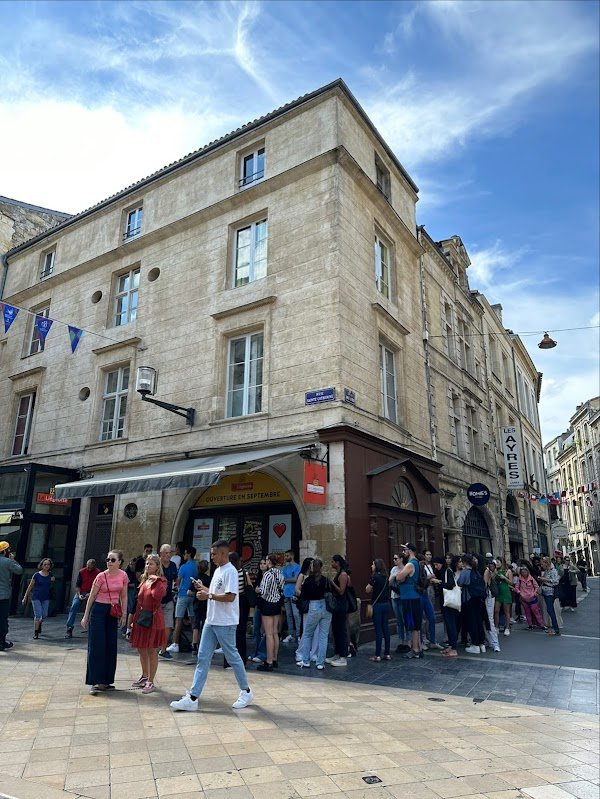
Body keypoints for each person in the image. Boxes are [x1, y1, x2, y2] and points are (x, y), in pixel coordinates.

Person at [170, 538, 254, 712]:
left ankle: (246, 691)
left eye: (215, 554)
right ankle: (193, 697)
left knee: (233, 657)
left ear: (223, 554)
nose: (212, 557)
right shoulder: (218, 570)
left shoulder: (230, 571)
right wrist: (204, 588)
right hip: (211, 621)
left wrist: (208, 596)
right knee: (202, 658)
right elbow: (217, 593)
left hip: (225, 623)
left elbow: (230, 597)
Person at [81, 550, 128, 695]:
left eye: (113, 560)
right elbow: (92, 596)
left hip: (113, 611)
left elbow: (124, 596)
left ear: (119, 562)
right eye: (108, 559)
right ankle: (95, 681)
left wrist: (124, 615)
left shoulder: (123, 575)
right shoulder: (101, 576)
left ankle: (105, 681)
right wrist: (86, 615)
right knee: (97, 645)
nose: (109, 562)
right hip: (99, 611)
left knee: (110, 645)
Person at [130, 553, 167, 694]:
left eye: (151, 564)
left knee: (152, 649)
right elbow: (139, 600)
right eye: (147, 563)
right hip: (141, 617)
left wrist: (154, 582)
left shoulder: (161, 581)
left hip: (153, 618)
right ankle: (144, 676)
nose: (147, 566)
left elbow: (157, 597)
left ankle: (151, 680)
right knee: (141, 647)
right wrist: (132, 620)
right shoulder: (143, 580)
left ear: (157, 566)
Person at [296, 558, 332, 669]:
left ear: (312, 568)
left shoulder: (308, 581)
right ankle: (320, 663)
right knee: (323, 636)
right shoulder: (325, 580)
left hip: (314, 606)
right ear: (321, 568)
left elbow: (303, 596)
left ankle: (306, 660)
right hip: (325, 607)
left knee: (307, 634)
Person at [254, 553, 285, 672]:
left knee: (269, 634)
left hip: (268, 603)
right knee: (275, 633)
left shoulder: (267, 574)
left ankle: (269, 661)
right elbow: (281, 588)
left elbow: (263, 591)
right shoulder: (280, 574)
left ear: (269, 561)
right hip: (277, 603)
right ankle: (275, 658)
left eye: (266, 560)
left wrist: (257, 589)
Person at [393, 543, 423, 659]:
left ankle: (414, 649)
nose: (403, 552)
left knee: (412, 624)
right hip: (412, 598)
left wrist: (398, 576)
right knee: (415, 623)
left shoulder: (411, 564)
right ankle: (418, 648)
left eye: (405, 550)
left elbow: (399, 577)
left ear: (409, 551)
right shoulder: (416, 563)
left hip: (409, 598)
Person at [167, 545, 198, 653]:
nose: (184, 555)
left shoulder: (183, 567)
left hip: (183, 594)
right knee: (193, 619)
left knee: (178, 619)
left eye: (185, 553)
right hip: (193, 595)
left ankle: (175, 643)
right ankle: (195, 642)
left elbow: (178, 581)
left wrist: (177, 589)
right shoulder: (196, 566)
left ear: (188, 554)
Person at [223, 551, 251, 668]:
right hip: (243, 604)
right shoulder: (244, 572)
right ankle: (242, 660)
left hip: (231, 602)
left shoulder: (228, 572)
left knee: (229, 633)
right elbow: (249, 586)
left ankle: (228, 661)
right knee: (241, 633)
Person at [457, 554, 486, 654]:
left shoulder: (465, 572)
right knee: (478, 621)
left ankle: (475, 644)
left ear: (465, 562)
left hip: (468, 599)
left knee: (471, 622)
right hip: (478, 599)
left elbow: (459, 583)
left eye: (461, 561)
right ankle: (482, 644)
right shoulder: (476, 572)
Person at [65, 559, 100, 638]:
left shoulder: (98, 573)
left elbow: (99, 586)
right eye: (87, 567)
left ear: (94, 567)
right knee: (74, 606)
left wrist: (90, 594)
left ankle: (92, 627)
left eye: (90, 567)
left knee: (94, 609)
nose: (88, 569)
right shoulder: (82, 572)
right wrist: (79, 594)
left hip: (92, 593)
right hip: (82, 592)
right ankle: (69, 627)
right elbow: (77, 585)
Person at [21, 557, 54, 639]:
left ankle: (39, 624)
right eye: (45, 564)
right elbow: (30, 586)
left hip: (46, 597)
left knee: (45, 615)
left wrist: (52, 581)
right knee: (38, 615)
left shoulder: (50, 575)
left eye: (48, 565)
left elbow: (51, 586)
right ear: (41, 565)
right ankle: (36, 633)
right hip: (36, 596)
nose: (46, 566)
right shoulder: (36, 575)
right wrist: (25, 597)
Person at [365, 558, 391, 661]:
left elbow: (367, 589)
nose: (371, 566)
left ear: (376, 566)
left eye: (372, 565)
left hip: (377, 605)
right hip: (386, 604)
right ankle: (387, 653)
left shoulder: (374, 576)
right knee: (386, 629)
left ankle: (377, 655)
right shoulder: (386, 576)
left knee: (378, 630)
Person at [326, 554, 349, 666]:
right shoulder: (339, 574)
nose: (332, 564)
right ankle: (337, 653)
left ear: (337, 563)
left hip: (341, 605)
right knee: (336, 630)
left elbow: (341, 591)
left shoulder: (343, 575)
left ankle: (343, 656)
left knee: (341, 630)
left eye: (333, 562)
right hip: (336, 606)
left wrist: (332, 583)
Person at [434, 555, 459, 657]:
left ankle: (454, 648)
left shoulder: (447, 571)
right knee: (448, 624)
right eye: (434, 564)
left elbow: (450, 584)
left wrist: (439, 582)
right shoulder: (442, 571)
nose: (435, 566)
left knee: (451, 624)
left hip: (448, 602)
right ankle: (450, 646)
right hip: (444, 601)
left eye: (437, 564)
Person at [0, 542, 23, 651]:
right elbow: (19, 570)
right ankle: (1, 642)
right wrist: (13, 559)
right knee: (2, 619)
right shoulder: (8, 562)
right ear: (5, 551)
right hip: (3, 595)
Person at [158, 544, 179, 659]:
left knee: (168, 625)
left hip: (168, 599)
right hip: (156, 600)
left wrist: (176, 586)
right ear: (161, 553)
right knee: (154, 625)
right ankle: (152, 647)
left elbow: (176, 579)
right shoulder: (157, 565)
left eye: (170, 553)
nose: (168, 555)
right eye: (166, 553)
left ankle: (163, 649)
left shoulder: (173, 565)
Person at [420, 549, 442, 650]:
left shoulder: (431, 565)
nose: (429, 556)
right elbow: (422, 579)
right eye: (427, 554)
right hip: (423, 592)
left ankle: (431, 639)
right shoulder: (420, 567)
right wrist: (431, 577)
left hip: (430, 590)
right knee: (420, 618)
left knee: (431, 617)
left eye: (430, 554)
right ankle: (421, 639)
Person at [514, 565, 545, 630]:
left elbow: (536, 586)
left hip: (532, 597)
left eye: (525, 572)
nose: (524, 573)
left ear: (527, 572)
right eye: (522, 572)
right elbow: (516, 588)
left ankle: (541, 625)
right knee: (527, 612)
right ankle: (530, 625)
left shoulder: (531, 579)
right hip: (523, 598)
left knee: (536, 612)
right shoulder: (519, 580)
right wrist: (520, 593)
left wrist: (534, 593)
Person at [389, 553, 409, 653]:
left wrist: (397, 578)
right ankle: (401, 641)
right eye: (394, 558)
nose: (394, 560)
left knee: (406, 618)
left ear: (401, 559)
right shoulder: (393, 569)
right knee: (399, 620)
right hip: (394, 596)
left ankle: (408, 641)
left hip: (403, 597)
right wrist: (397, 577)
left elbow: (403, 580)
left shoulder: (406, 568)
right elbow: (390, 581)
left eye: (396, 558)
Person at [250, 559, 268, 663]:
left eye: (264, 563)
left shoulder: (268, 576)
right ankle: (255, 653)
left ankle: (262, 654)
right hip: (258, 604)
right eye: (260, 564)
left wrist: (259, 590)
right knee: (256, 629)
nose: (262, 565)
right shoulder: (259, 576)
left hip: (266, 605)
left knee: (265, 631)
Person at [281, 550, 301, 643]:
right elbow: (282, 579)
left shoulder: (297, 567)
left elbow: (296, 579)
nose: (285, 557)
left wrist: (287, 580)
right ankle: (291, 634)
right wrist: (290, 580)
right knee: (288, 614)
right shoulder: (284, 568)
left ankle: (299, 634)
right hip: (286, 593)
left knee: (296, 614)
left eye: (287, 555)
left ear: (292, 556)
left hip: (294, 594)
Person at [538, 556, 561, 636]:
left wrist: (545, 580)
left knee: (550, 610)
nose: (541, 565)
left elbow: (556, 581)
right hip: (545, 591)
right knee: (549, 610)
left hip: (550, 592)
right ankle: (554, 628)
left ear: (546, 563)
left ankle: (556, 629)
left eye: (542, 564)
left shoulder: (553, 571)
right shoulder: (546, 571)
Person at [494, 557, 513, 636]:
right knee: (496, 610)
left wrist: (504, 577)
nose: (497, 564)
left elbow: (511, 583)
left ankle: (507, 627)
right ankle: (497, 627)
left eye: (498, 562)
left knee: (506, 611)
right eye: (496, 562)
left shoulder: (508, 571)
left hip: (505, 592)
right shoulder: (495, 571)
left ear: (502, 562)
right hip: (498, 592)